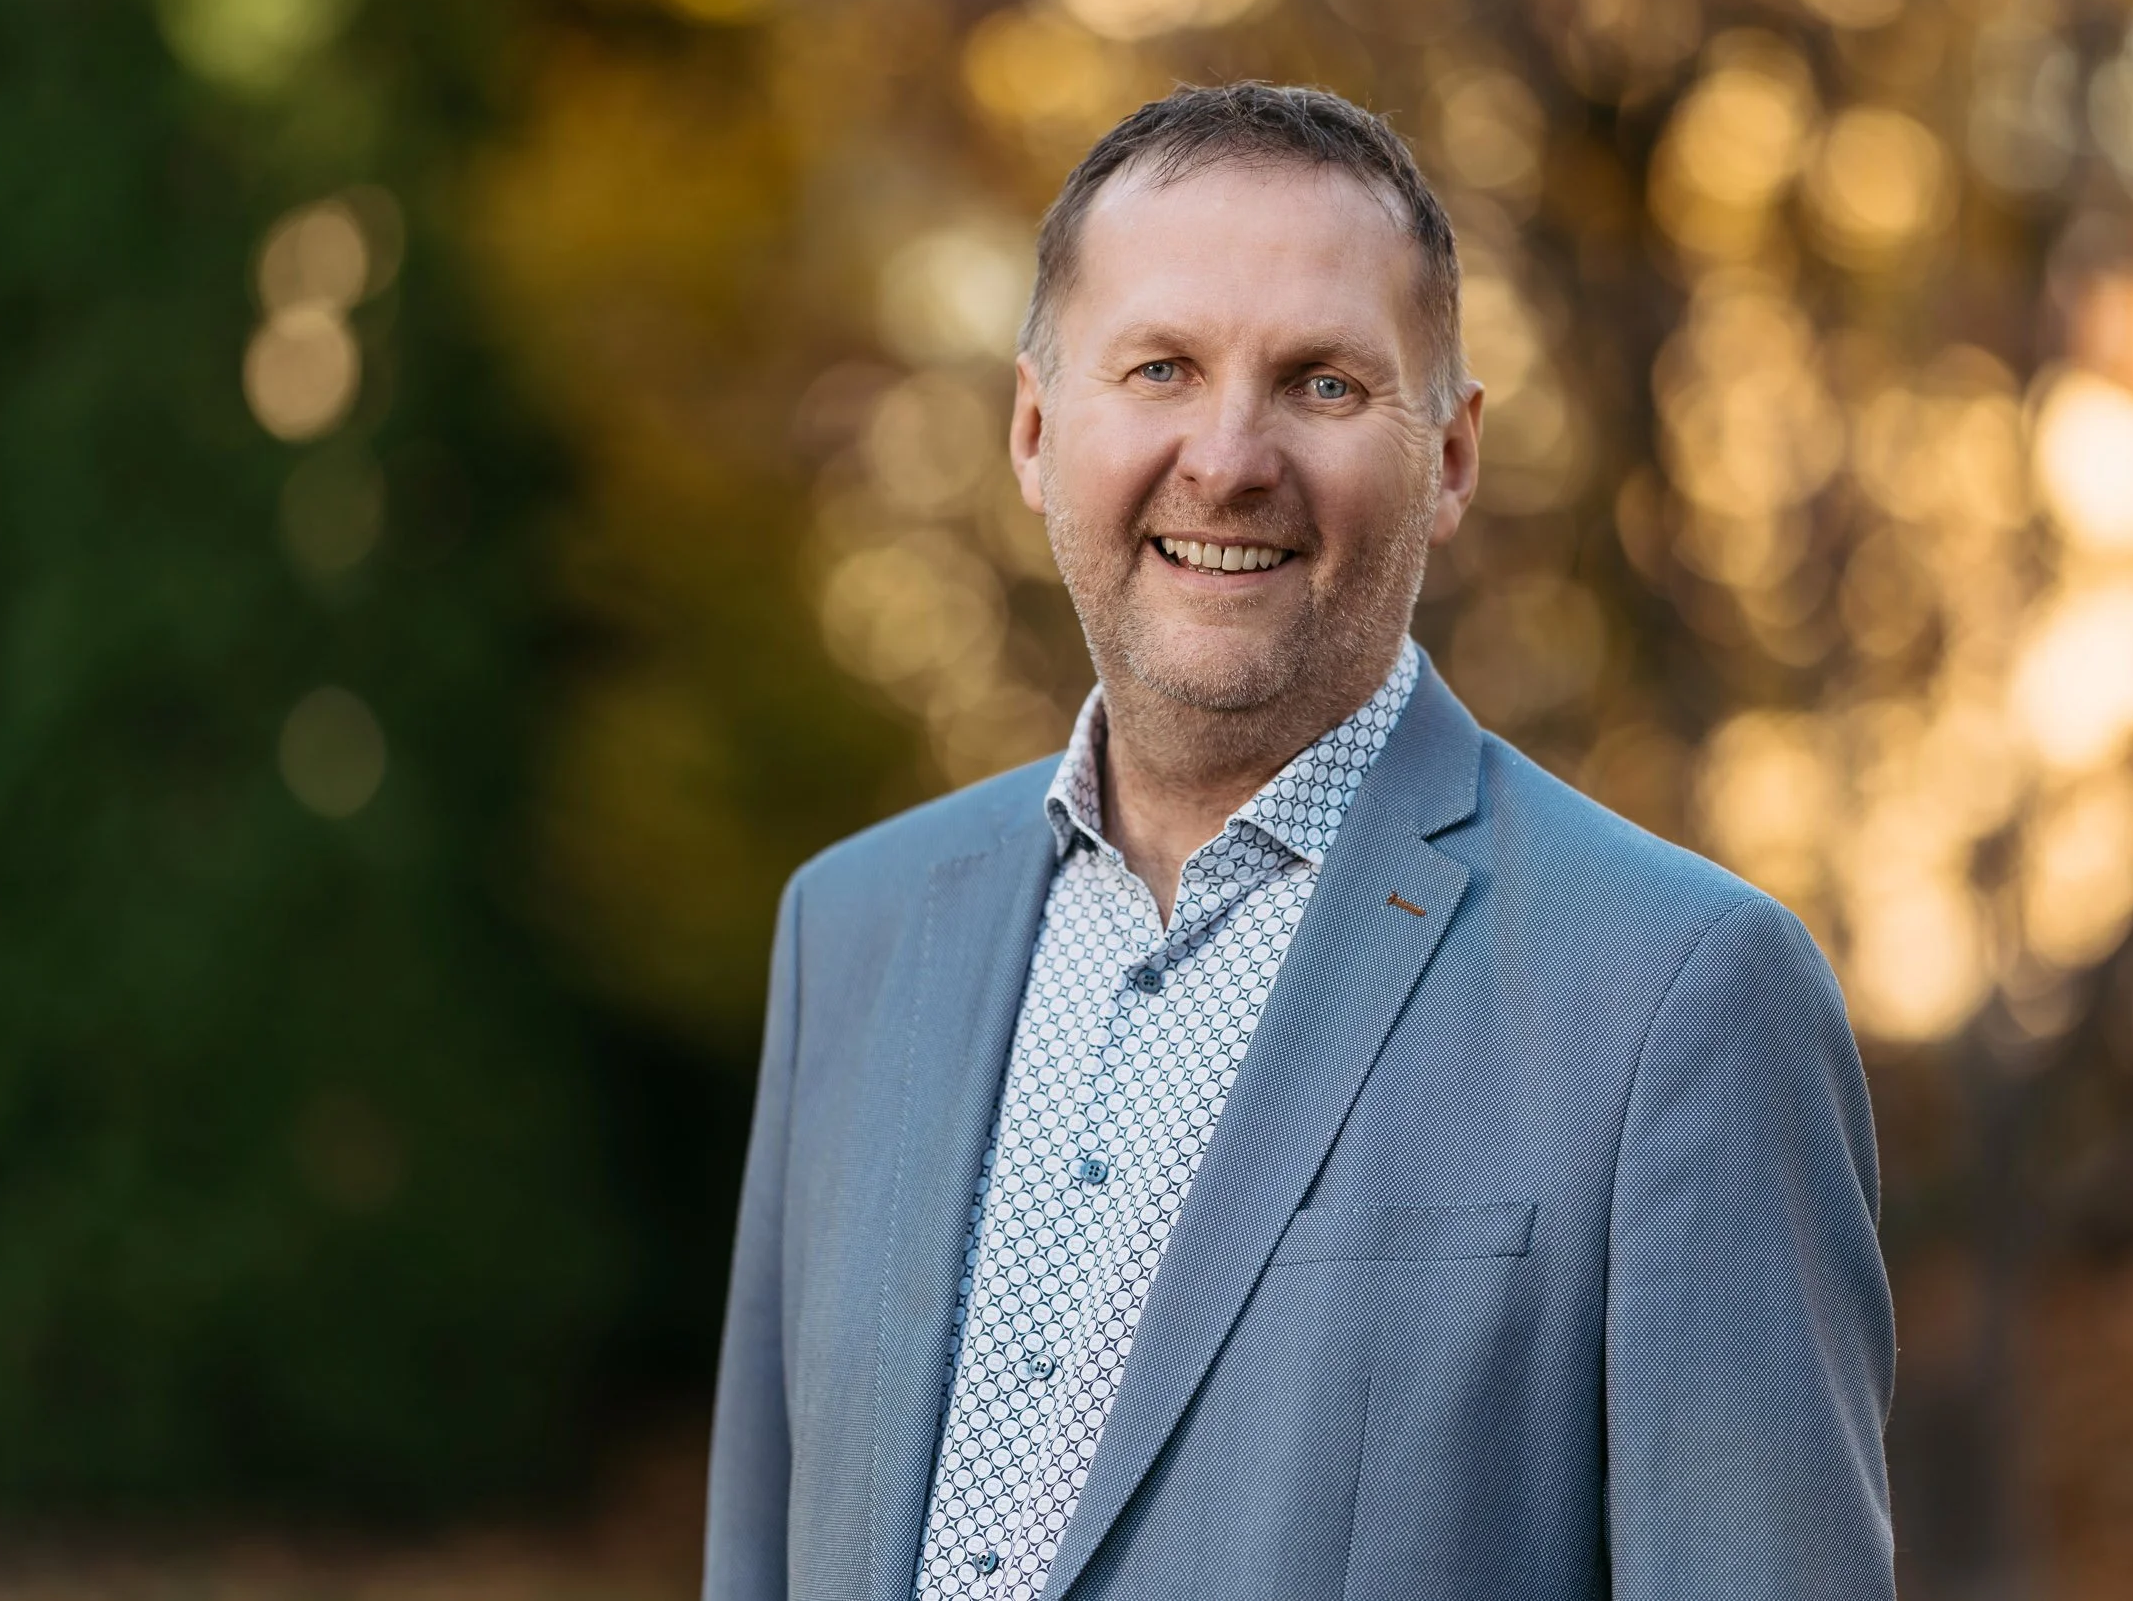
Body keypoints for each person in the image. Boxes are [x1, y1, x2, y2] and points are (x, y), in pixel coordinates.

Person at [703, 81, 1894, 1601]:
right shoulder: (854, 933)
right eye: (1159, 367)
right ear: (1032, 426)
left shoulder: (1679, 995)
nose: (1228, 457)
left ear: (1451, 456)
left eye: (1323, 384)